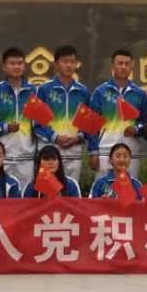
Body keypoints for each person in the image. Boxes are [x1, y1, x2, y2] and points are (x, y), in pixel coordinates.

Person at [32, 45, 93, 191]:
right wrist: (55, 137)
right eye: (65, 62)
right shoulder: (44, 90)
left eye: (72, 62)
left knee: (70, 193)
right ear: (56, 64)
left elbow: (89, 124)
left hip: (74, 152)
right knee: (47, 192)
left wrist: (78, 137)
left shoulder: (83, 91)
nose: (69, 65)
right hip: (50, 153)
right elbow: (36, 123)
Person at [88, 49, 147, 176]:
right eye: (120, 63)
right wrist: (93, 151)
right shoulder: (100, 92)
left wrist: (136, 128)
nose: (123, 67)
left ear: (132, 66)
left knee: (129, 186)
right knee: (104, 187)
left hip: (131, 152)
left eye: (127, 64)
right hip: (105, 151)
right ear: (113, 65)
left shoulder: (140, 94)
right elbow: (92, 126)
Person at [0, 47, 38, 186]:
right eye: (12, 63)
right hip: (3, 158)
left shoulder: (33, 92)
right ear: (4, 67)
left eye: (20, 63)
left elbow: (40, 123)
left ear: (24, 66)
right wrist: (5, 127)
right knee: (2, 196)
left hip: (27, 157)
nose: (16, 67)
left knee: (26, 196)